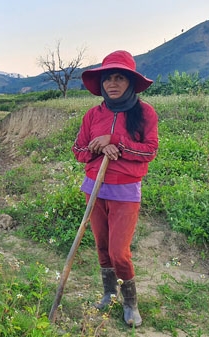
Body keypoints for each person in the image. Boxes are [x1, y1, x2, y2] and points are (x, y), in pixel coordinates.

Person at [72, 50, 159, 327]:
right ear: (102, 84)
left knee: (119, 251)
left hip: (125, 192)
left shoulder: (144, 112)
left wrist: (116, 140)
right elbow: (78, 150)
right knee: (101, 246)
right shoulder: (92, 114)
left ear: (130, 82)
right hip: (94, 190)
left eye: (119, 77)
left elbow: (149, 151)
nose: (112, 83)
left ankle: (130, 303)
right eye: (108, 78)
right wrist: (100, 146)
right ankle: (109, 293)